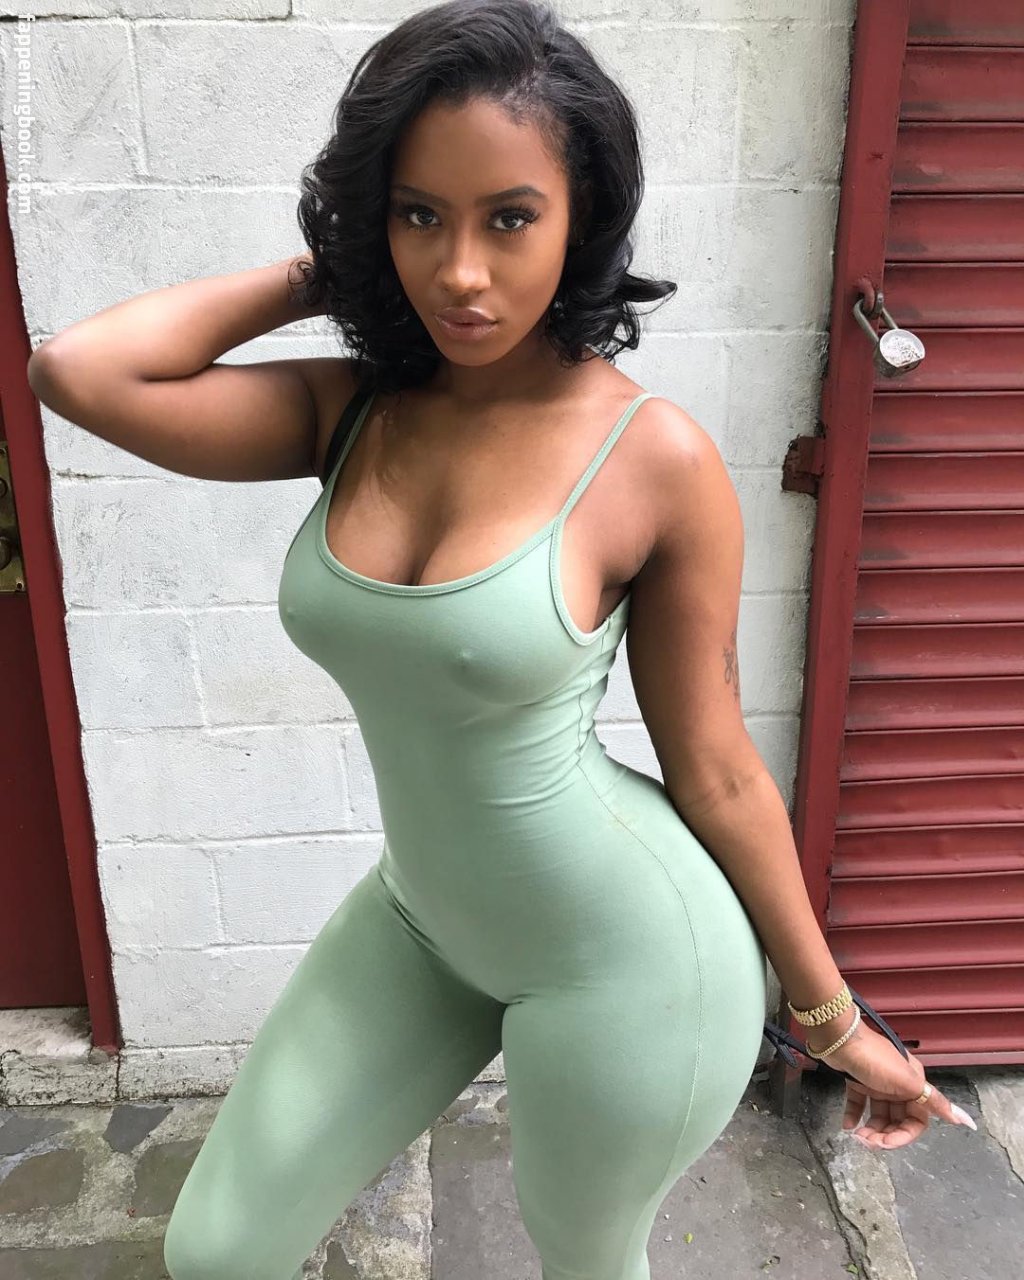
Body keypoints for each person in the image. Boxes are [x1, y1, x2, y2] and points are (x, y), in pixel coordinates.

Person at [27, 2, 976, 1277]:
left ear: (582, 219)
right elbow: (81, 372)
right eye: (420, 215)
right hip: (421, 921)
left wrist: (831, 1014)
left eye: (509, 218)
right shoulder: (351, 410)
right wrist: (330, 270)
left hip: (628, 955)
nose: (461, 272)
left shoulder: (653, 458)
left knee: (580, 1257)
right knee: (217, 1249)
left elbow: (716, 769)